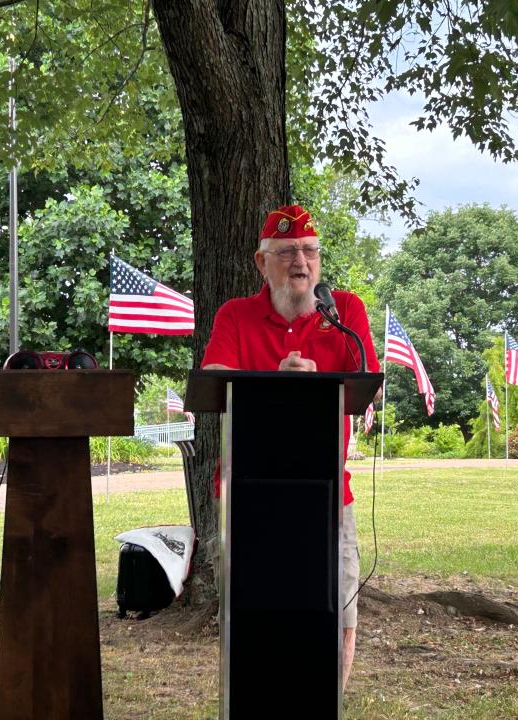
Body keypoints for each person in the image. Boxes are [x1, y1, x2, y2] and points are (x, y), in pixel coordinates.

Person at [201, 203, 380, 690]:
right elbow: (214, 379)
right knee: (250, 616)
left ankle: (329, 705)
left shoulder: (345, 311)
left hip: (327, 497)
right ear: (262, 262)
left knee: (338, 611)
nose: (300, 261)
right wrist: (274, 384)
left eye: (309, 251)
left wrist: (319, 381)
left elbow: (369, 383)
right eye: (285, 252)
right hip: (246, 497)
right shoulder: (236, 315)